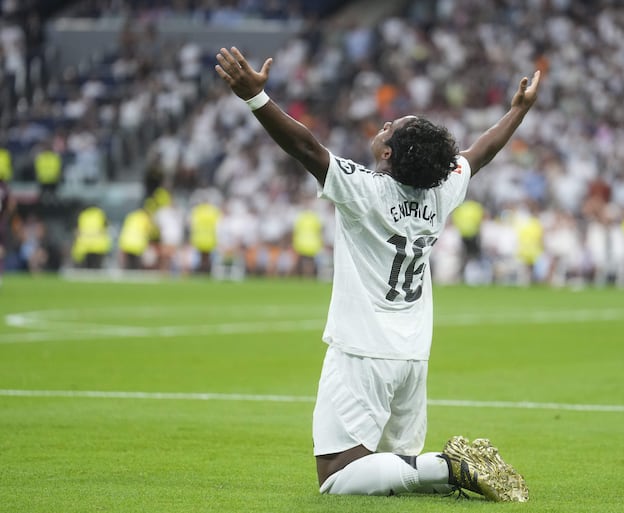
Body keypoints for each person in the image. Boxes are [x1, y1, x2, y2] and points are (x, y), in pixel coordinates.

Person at [215, 46, 540, 502]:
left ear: (387, 152)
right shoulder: (442, 191)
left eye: (391, 126)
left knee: (336, 476)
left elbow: (306, 147)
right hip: (413, 354)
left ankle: (448, 466)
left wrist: (256, 100)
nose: (384, 123)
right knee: (394, 479)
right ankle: (436, 471)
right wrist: (517, 113)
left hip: (363, 349)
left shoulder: (364, 191)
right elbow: (479, 153)